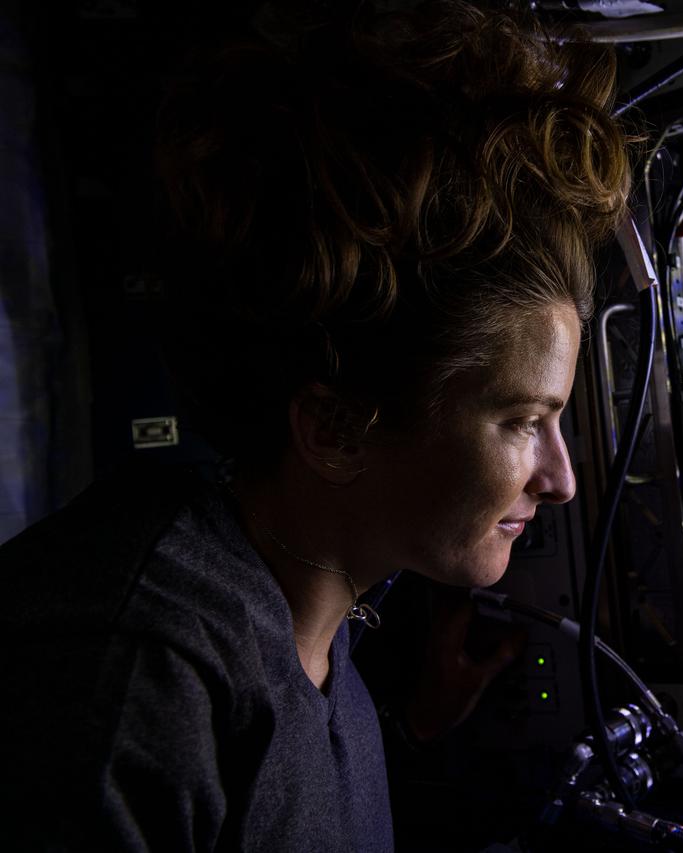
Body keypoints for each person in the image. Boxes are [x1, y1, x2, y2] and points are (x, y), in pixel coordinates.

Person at [0, 2, 633, 849]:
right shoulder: (138, 670)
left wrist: (420, 726)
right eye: (524, 420)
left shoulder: (333, 669)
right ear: (336, 429)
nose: (561, 478)